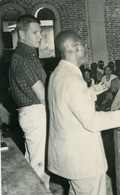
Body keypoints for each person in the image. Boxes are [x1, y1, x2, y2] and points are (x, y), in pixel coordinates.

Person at [47, 30, 120, 195]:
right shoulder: (72, 80)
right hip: (83, 158)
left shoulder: (58, 73)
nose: (87, 51)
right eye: (85, 46)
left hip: (69, 154)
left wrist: (91, 92)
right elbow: (92, 121)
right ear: (77, 48)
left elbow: (67, 103)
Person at [9, 14, 50, 187]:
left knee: (32, 164)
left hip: (29, 113)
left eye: (40, 32)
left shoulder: (22, 55)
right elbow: (42, 95)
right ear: (22, 34)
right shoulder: (25, 58)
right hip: (37, 112)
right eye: (35, 32)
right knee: (41, 168)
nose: (40, 36)